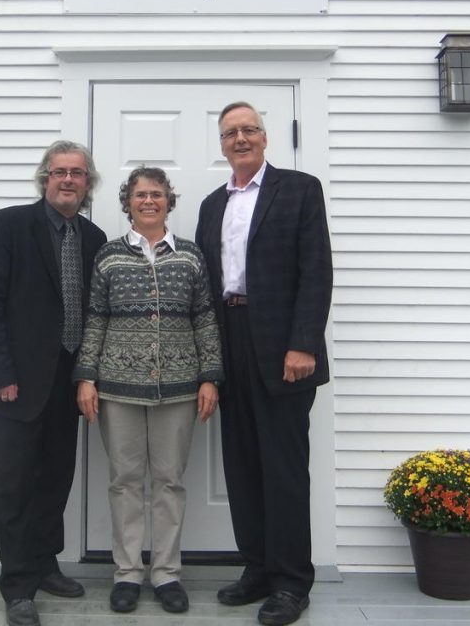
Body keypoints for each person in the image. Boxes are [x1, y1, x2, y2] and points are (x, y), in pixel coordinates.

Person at [195, 102, 332, 626]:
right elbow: (208, 284)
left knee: (284, 468)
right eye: (231, 132)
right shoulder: (212, 204)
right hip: (229, 339)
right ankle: (256, 568)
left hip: (281, 348)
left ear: (265, 137)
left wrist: (304, 344)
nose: (240, 138)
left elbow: (316, 271)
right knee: (243, 464)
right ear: (222, 144)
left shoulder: (299, 189)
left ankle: (292, 582)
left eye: (249, 129)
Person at [0, 141, 107, 626]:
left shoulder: (94, 237)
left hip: (67, 385)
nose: (68, 180)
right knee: (15, 486)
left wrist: (88, 375)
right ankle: (18, 585)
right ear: (44, 179)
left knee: (54, 479)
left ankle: (46, 565)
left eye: (78, 173)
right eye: (59, 172)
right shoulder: (9, 226)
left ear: (88, 184)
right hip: (18, 385)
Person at [74, 166, 223, 615]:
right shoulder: (108, 256)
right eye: (140, 195)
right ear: (128, 202)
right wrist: (86, 376)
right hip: (117, 389)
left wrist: (210, 377)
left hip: (178, 390)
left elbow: (205, 319)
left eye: (157, 194)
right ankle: (126, 573)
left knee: (169, 482)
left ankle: (166, 573)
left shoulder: (191, 256)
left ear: (168, 201)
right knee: (123, 481)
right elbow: (95, 317)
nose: (149, 201)